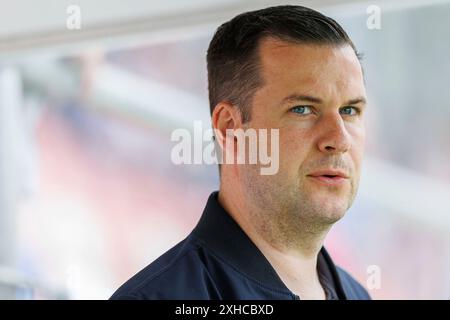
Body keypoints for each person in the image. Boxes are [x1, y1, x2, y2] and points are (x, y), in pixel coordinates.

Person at [111, 5, 370, 300]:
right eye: (303, 109)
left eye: (350, 110)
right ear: (231, 128)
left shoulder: (357, 295)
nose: (339, 139)